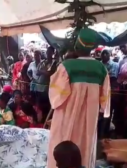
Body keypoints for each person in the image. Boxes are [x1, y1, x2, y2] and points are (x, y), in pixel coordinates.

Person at [47, 28, 110, 168]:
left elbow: (56, 97)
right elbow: (105, 99)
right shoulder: (101, 69)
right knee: (85, 142)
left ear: (77, 44)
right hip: (90, 116)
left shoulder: (66, 66)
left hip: (67, 113)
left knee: (63, 140)